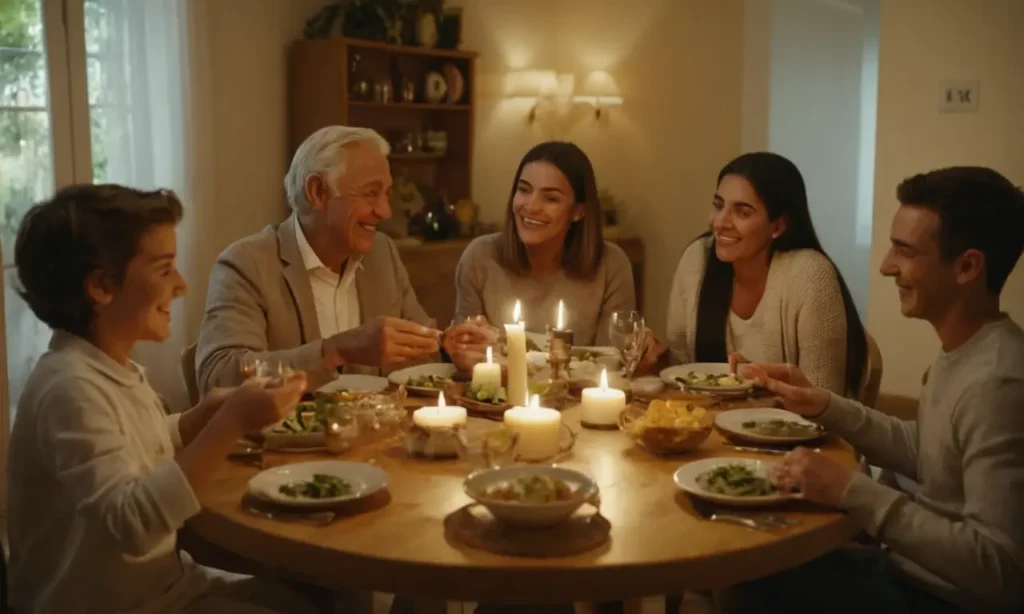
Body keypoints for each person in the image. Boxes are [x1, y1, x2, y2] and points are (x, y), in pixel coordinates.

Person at [5, 185, 362, 613]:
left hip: (166, 586)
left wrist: (197, 419)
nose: (182, 285)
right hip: (112, 605)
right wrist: (229, 423)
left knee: (342, 593)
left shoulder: (107, 369)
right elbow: (134, 523)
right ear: (101, 285)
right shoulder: (69, 388)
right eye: (163, 269)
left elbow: (130, 448)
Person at [729, 166, 1024, 613]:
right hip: (910, 572)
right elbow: (928, 451)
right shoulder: (964, 350)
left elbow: (999, 568)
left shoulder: (998, 383)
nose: (887, 266)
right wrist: (825, 404)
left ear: (967, 266)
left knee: (746, 583)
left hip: (939, 598)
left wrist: (855, 493)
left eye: (904, 251)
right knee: (750, 558)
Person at [195, 126, 486, 393]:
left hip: (375, 440)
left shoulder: (382, 253)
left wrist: (450, 347)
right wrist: (335, 351)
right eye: (371, 194)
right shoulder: (247, 264)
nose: (385, 211)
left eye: (387, 194)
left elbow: (422, 347)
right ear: (317, 192)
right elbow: (218, 375)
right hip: (287, 446)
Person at [640, 152, 867, 396]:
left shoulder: (810, 275)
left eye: (742, 212)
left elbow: (826, 401)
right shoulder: (698, 260)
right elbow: (682, 371)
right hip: (711, 424)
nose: (719, 222)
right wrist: (658, 361)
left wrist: (756, 387)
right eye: (718, 206)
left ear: (778, 226)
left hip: (789, 429)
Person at [449, 141, 635, 365]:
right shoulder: (479, 257)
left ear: (578, 211)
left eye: (551, 198)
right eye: (524, 190)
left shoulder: (611, 265)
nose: (531, 206)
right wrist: (462, 347)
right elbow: (467, 356)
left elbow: (611, 363)